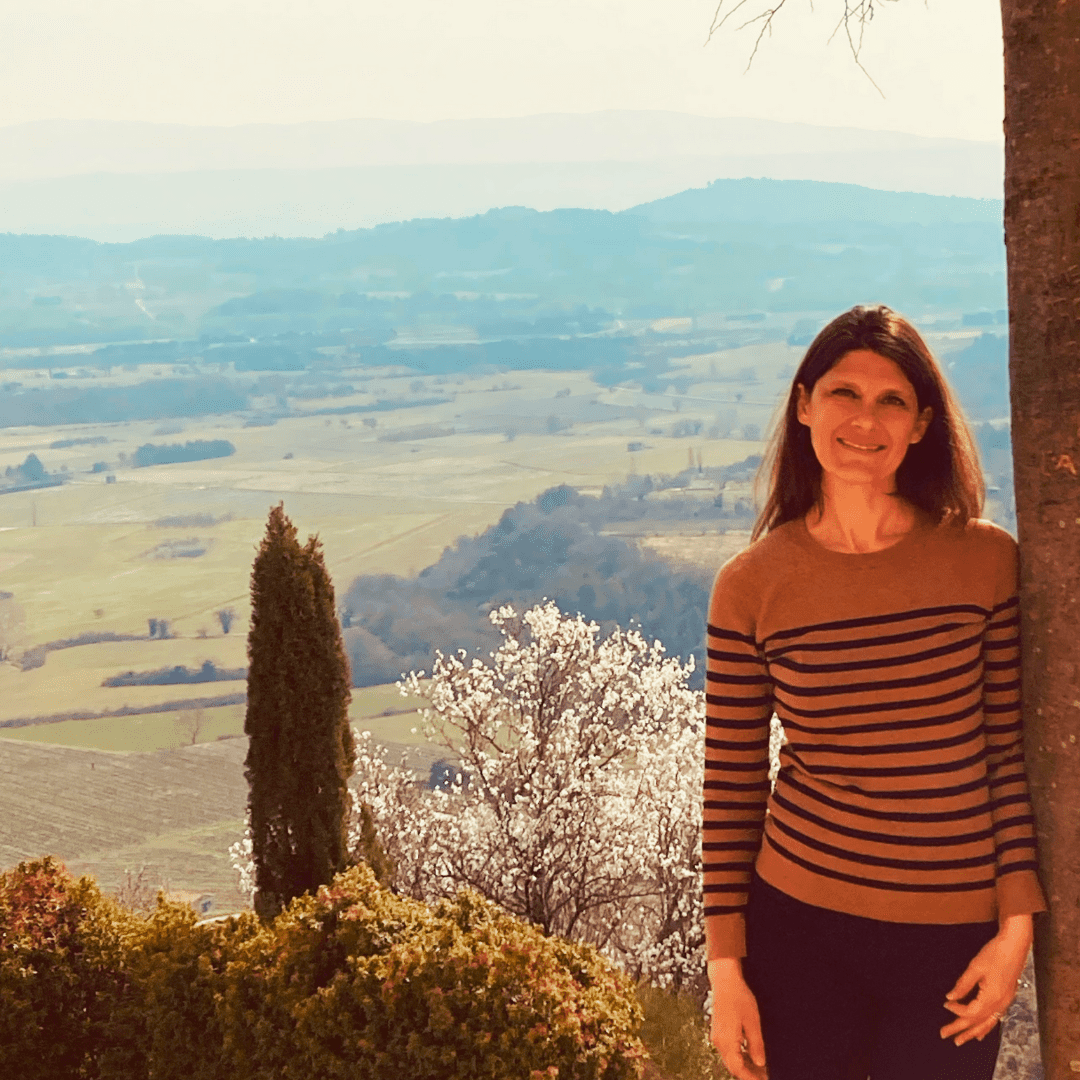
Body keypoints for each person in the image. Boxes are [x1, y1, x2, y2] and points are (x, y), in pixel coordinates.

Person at [703, 305, 1046, 1080]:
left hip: (952, 937)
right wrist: (727, 972)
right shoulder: (749, 586)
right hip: (798, 927)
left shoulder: (984, 562)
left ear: (923, 423)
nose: (866, 418)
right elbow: (730, 786)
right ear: (803, 407)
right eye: (842, 393)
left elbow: (1004, 751)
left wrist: (1015, 929)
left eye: (892, 399)